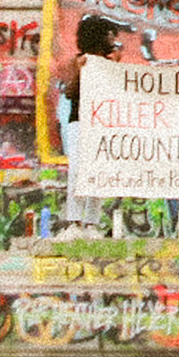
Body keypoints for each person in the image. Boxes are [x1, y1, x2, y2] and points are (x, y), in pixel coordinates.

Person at [60, 17, 123, 229]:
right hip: (79, 121)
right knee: (77, 170)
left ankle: (91, 222)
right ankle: (74, 220)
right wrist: (81, 71)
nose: (112, 38)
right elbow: (69, 92)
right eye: (109, 33)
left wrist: (114, 67)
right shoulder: (78, 61)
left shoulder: (110, 62)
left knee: (98, 173)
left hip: (102, 124)